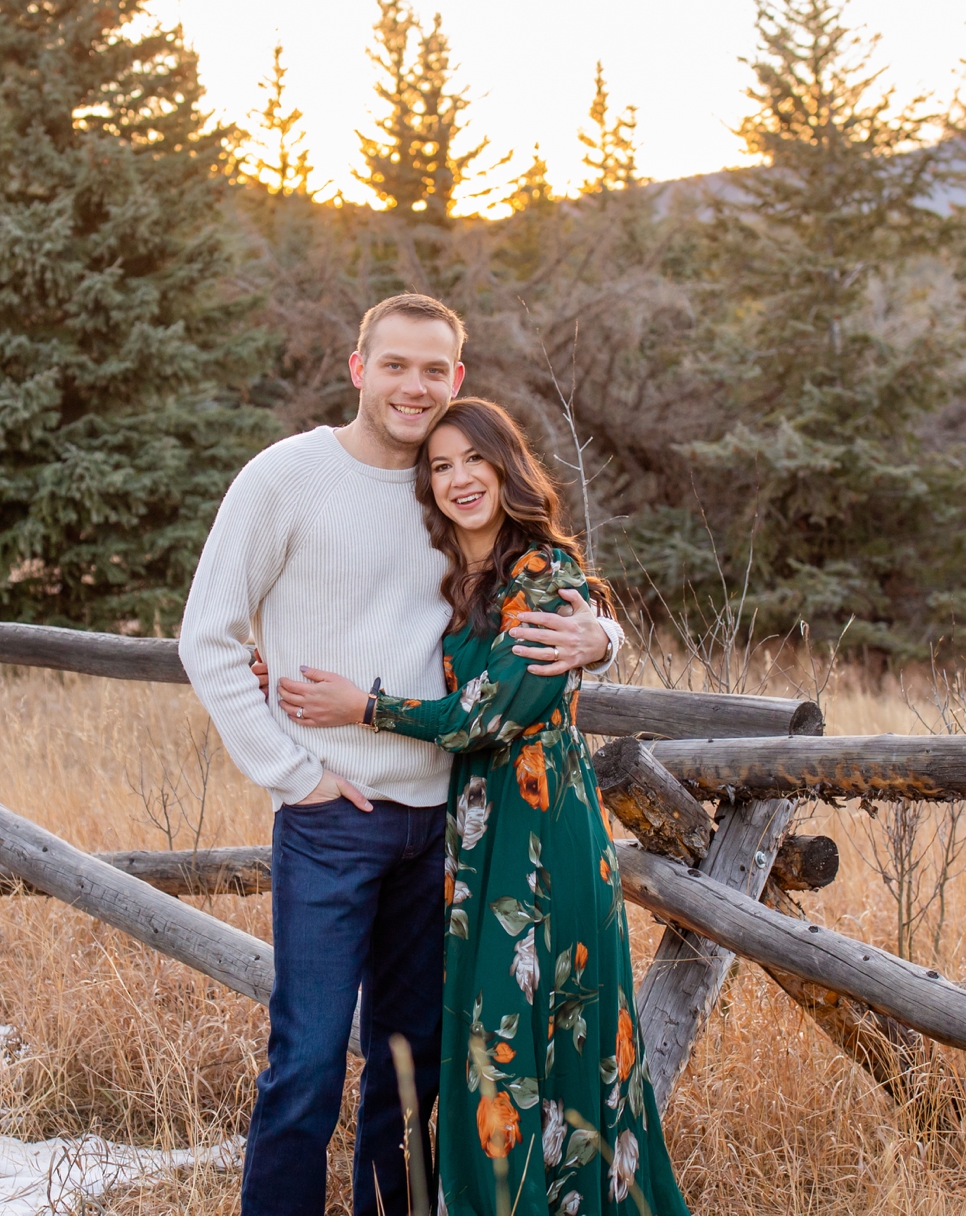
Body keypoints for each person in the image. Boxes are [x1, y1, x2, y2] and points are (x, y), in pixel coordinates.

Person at [178, 295, 623, 1216]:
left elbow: (545, 578)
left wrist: (605, 638)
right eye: (394, 365)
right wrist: (292, 773)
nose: (413, 386)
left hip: (451, 824)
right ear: (358, 368)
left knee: (408, 1067)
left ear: (456, 379)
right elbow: (205, 636)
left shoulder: (450, 486)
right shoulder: (285, 477)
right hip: (332, 816)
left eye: (433, 370)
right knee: (304, 1061)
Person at [277, 397, 689, 1215]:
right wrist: (278, 665)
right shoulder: (456, 574)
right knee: (483, 1040)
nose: (460, 478)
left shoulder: (544, 573)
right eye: (441, 465)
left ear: (508, 467)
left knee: (538, 1034)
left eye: (476, 459)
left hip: (543, 836)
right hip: (475, 834)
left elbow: (484, 717)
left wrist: (366, 707)